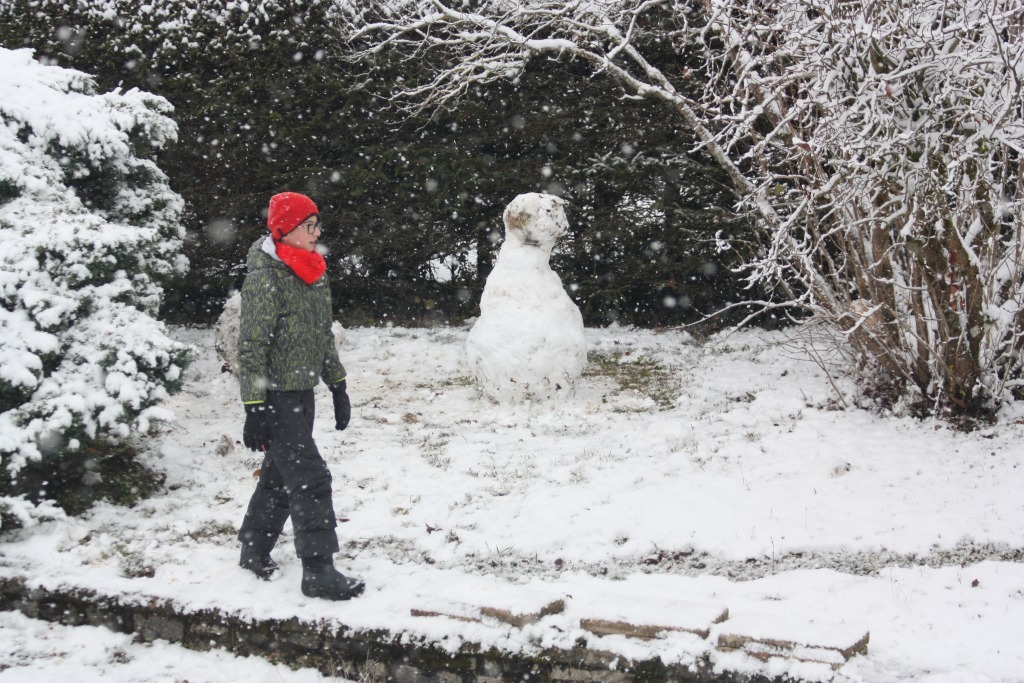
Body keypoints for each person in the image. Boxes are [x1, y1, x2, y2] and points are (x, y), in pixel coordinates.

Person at [235, 191, 364, 601]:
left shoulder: (312, 270)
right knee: (310, 477)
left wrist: (337, 384)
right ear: (283, 229)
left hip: (302, 391)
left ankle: (253, 549)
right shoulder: (265, 278)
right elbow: (251, 347)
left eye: (317, 224)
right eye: (308, 226)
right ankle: (318, 569)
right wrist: (254, 406)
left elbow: (321, 334)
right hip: (275, 398)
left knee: (279, 475)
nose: (316, 232)